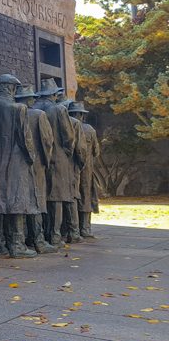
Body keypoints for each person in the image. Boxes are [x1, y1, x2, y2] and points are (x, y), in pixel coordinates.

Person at [0, 75, 38, 258]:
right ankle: (17, 246)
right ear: (11, 88)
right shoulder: (19, 108)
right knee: (15, 201)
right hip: (15, 163)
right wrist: (31, 159)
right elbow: (26, 140)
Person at [14, 85, 58, 254]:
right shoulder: (39, 115)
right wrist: (46, 162)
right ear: (30, 99)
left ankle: (24, 238)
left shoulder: (14, 113)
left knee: (20, 200)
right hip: (36, 163)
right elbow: (47, 141)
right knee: (36, 201)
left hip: (17, 164)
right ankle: (38, 240)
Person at [33, 79, 76, 246]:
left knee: (40, 196)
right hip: (58, 158)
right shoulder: (58, 109)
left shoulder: (32, 109)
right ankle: (55, 236)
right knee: (56, 197)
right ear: (54, 94)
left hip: (37, 159)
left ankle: (39, 235)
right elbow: (69, 136)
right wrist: (67, 153)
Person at [69, 101, 100, 238]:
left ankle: (72, 229)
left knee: (72, 196)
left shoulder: (66, 128)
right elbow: (96, 151)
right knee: (86, 195)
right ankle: (85, 228)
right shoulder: (89, 130)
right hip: (86, 168)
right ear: (81, 115)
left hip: (69, 169)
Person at [63, 106, 88, 243]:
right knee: (72, 196)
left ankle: (58, 233)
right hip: (70, 166)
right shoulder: (74, 123)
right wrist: (80, 164)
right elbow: (81, 149)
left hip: (52, 166)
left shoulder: (45, 115)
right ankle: (73, 232)